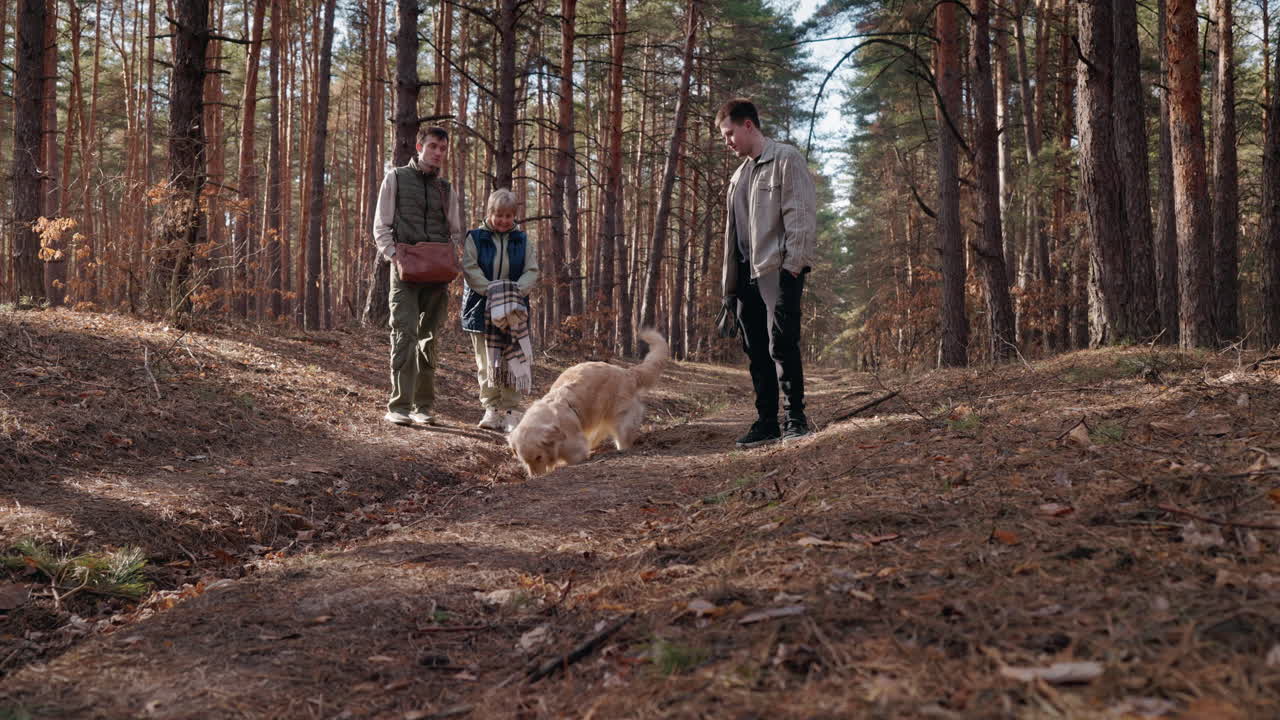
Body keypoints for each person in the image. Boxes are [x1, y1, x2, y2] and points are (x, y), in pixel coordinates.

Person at [716, 98, 817, 447]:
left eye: (729, 133)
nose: (727, 142)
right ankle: (767, 422)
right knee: (756, 349)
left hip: (778, 269)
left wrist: (793, 267)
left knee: (782, 343)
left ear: (748, 125)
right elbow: (732, 235)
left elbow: (800, 216)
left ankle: (795, 419)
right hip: (745, 274)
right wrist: (729, 289)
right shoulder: (738, 176)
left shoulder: (786, 159)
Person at [372, 125, 463, 427]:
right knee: (404, 335)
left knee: (430, 339)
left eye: (443, 149)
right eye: (433, 146)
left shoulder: (445, 188)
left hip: (437, 275)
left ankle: (423, 407)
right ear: (419, 146)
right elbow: (381, 225)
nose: (438, 153)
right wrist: (395, 256)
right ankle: (399, 406)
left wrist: (452, 259)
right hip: (406, 273)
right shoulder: (396, 177)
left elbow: (455, 231)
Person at [460, 189, 539, 431]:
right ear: (489, 213)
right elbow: (470, 268)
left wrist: (513, 293)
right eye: (499, 215)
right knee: (487, 363)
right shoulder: (475, 238)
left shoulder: (522, 240)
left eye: (508, 216)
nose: (504, 220)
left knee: (513, 360)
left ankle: (511, 411)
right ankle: (491, 409)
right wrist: (493, 291)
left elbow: (531, 270)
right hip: (481, 308)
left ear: (514, 216)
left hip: (514, 310)